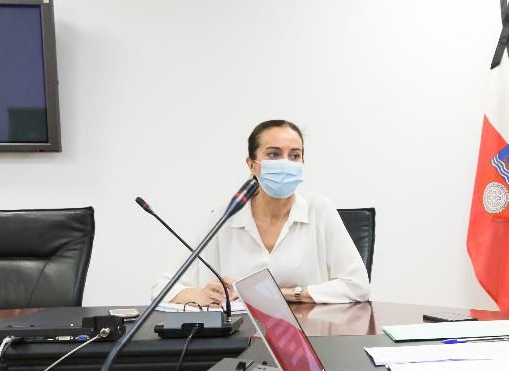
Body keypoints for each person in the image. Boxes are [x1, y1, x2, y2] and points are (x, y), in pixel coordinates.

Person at [153, 119, 370, 306]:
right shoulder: (226, 216)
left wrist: (277, 295)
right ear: (252, 165)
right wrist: (199, 295)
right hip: (242, 338)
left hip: (309, 335)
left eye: (294, 156)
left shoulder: (319, 209)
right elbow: (162, 288)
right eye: (274, 154)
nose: (286, 163)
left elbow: (358, 286)